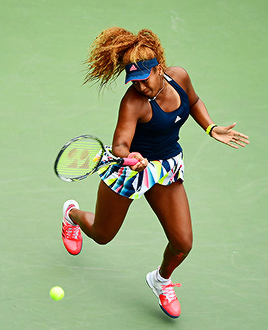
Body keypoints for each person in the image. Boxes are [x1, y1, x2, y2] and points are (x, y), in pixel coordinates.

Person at [61, 27, 249, 318]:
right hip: (130, 168)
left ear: (159, 69)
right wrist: (130, 157)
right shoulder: (133, 102)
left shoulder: (180, 77)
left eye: (144, 78)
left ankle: (160, 280)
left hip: (164, 167)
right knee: (102, 235)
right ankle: (71, 214)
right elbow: (120, 144)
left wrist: (211, 128)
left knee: (182, 243)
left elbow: (195, 101)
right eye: (133, 81)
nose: (140, 86)